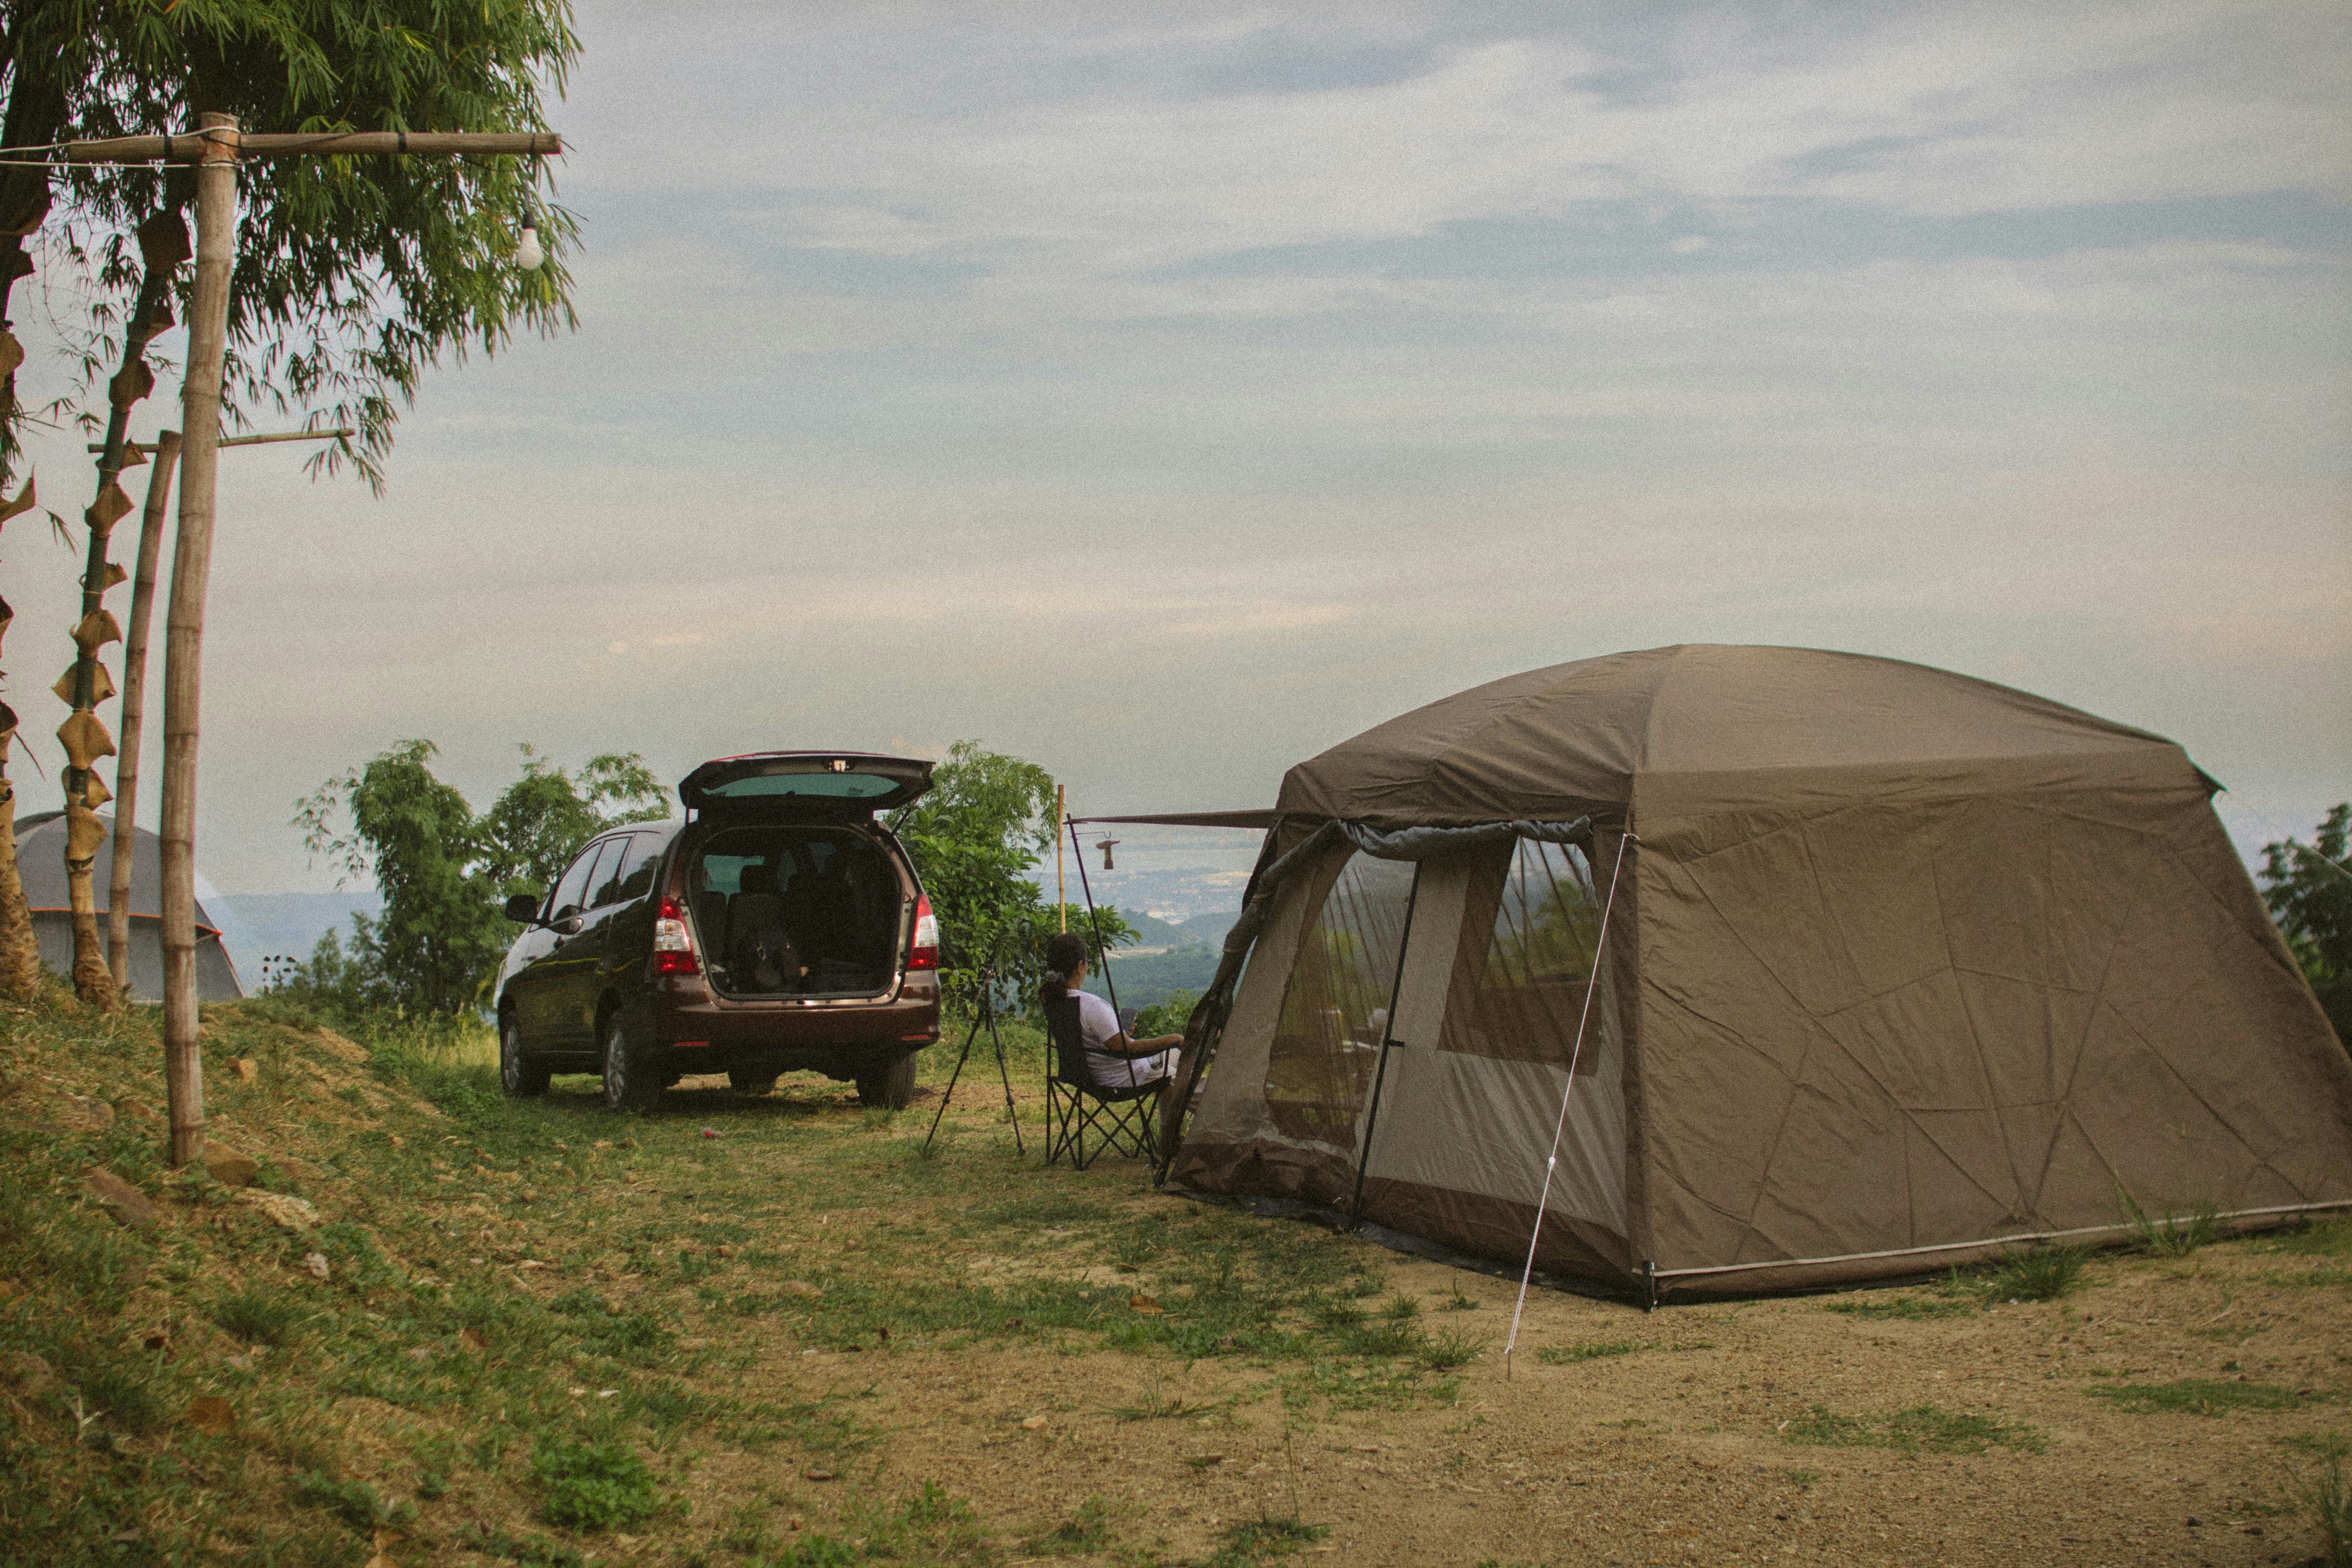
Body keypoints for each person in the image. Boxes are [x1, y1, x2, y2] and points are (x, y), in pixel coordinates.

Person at [1040, 931, 1185, 1125]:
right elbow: (1128, 1049)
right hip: (1123, 1077)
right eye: (1087, 962)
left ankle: (1171, 1139)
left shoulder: (1053, 1001)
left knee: (1185, 1057)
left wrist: (1119, 1035)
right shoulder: (1091, 1005)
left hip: (1089, 1078)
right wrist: (1172, 1039)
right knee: (1184, 1074)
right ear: (1079, 966)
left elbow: (1110, 1043)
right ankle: (1177, 1139)